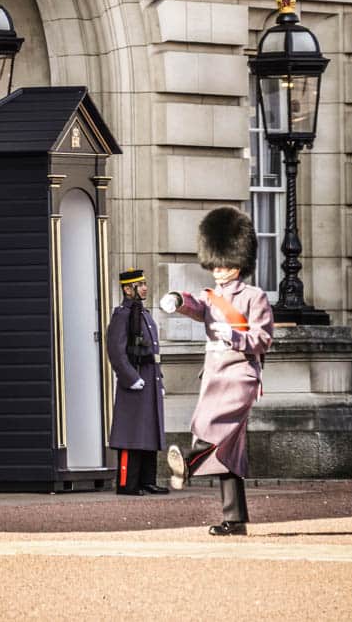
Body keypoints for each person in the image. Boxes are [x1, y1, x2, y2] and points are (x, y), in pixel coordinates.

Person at [160, 206, 273, 535]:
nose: (220, 270)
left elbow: (262, 339)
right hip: (214, 374)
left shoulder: (255, 297)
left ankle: (190, 464)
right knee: (227, 447)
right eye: (216, 264)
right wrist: (177, 299)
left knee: (213, 427)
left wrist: (234, 336)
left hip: (240, 377)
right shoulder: (211, 297)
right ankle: (234, 519)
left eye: (225, 264)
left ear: (239, 263)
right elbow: (195, 305)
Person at [106, 268, 168, 496]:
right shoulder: (122, 315)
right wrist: (130, 377)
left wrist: (158, 381)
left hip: (150, 378)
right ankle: (127, 482)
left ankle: (146, 480)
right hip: (135, 380)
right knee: (131, 433)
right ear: (127, 289)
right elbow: (116, 351)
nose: (144, 287)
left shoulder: (144, 314)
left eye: (144, 283)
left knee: (149, 432)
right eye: (139, 284)